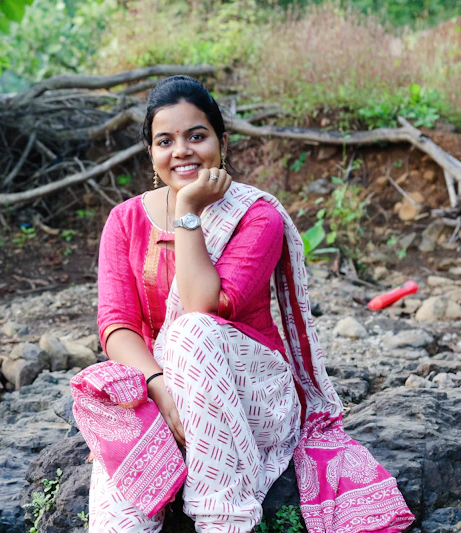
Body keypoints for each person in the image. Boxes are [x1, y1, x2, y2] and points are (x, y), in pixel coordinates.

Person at [88, 76, 413, 533]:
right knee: (117, 432)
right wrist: (158, 387)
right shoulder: (125, 220)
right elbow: (117, 325)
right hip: (162, 388)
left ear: (222, 141)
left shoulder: (256, 215)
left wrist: (187, 210)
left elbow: (203, 306)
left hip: (249, 396)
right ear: (151, 153)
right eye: (166, 141)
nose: (181, 151)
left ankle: (223, 520)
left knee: (190, 330)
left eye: (196, 136)